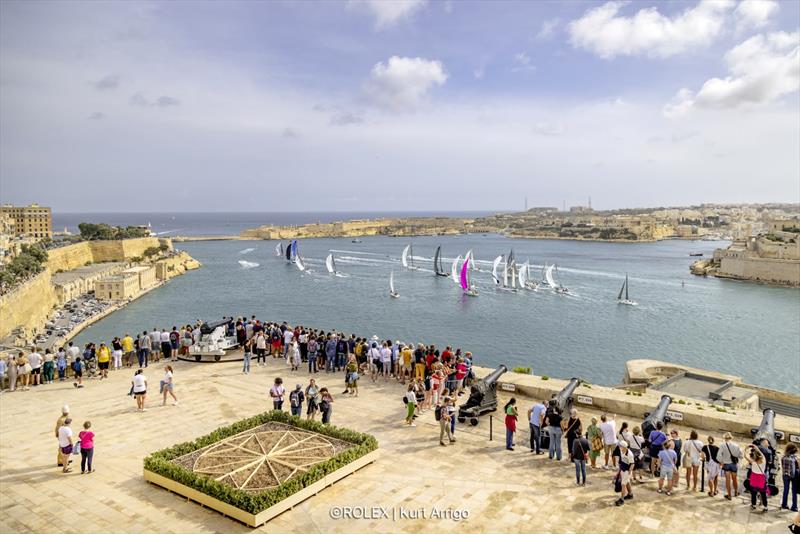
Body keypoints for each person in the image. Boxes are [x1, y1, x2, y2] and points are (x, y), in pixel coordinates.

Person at [717, 432, 742, 500]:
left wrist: (721, 461)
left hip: (726, 464)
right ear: (731, 438)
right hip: (734, 464)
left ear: (725, 438)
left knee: (727, 480)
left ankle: (729, 495)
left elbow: (718, 456)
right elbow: (741, 455)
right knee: (734, 479)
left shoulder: (722, 445)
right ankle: (736, 492)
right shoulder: (736, 445)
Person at [745, 444, 769, 512]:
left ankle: (754, 505)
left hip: (754, 477)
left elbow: (745, 456)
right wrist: (756, 447)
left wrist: (746, 449)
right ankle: (765, 507)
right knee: (763, 494)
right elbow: (760, 452)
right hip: (761, 478)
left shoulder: (753, 462)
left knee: (753, 493)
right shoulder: (764, 460)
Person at [615, 440, 634, 505]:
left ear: (623, 447)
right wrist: (619, 471)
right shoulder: (621, 451)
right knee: (627, 482)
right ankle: (630, 494)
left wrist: (629, 472)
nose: (619, 447)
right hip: (623, 469)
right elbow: (621, 461)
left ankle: (622, 499)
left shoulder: (630, 454)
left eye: (620, 446)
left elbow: (632, 464)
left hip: (627, 471)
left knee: (623, 484)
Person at [781, 443, 798, 512]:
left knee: (786, 490)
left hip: (785, 475)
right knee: (794, 491)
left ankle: (784, 504)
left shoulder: (783, 457)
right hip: (793, 476)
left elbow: (782, 466)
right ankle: (794, 507)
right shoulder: (795, 458)